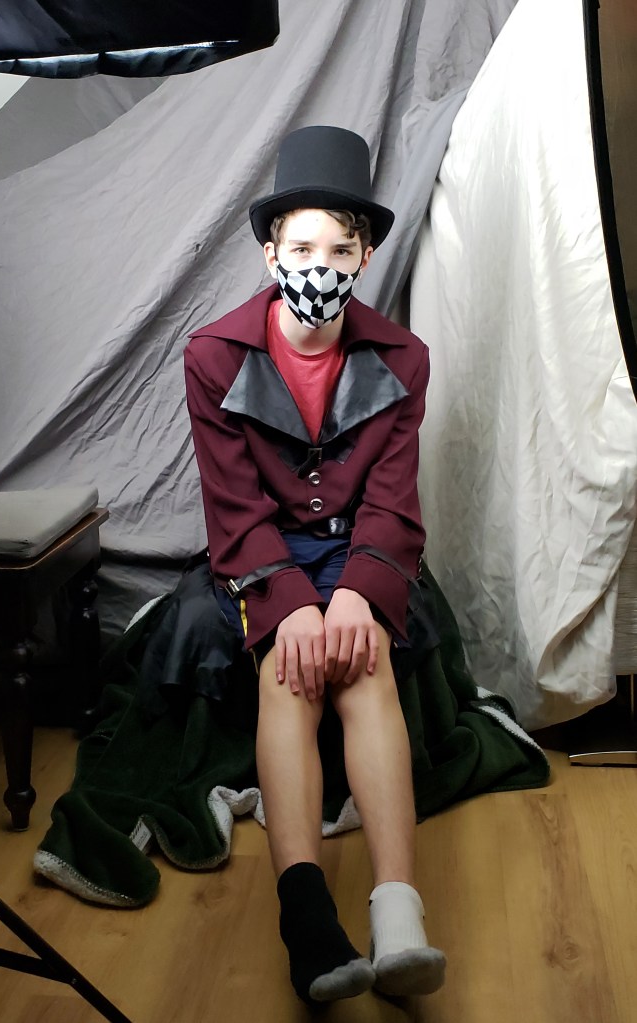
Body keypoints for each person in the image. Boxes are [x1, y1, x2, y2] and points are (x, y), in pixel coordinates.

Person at [183, 125, 446, 1003]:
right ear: (270, 255)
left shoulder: (404, 358)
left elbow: (393, 497)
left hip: (360, 545)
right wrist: (290, 598)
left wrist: (360, 591)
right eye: (300, 248)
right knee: (288, 674)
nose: (319, 266)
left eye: (339, 249)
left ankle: (398, 912)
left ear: (365, 256)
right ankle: (305, 916)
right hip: (268, 551)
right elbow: (232, 503)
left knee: (365, 668)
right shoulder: (211, 356)